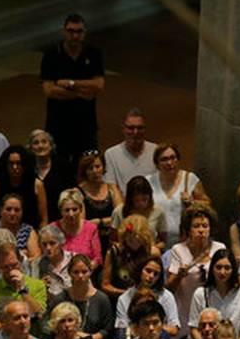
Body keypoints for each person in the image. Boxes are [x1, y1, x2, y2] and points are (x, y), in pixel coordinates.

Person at [40, 13, 105, 170]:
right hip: (57, 126)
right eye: (71, 31)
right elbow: (49, 90)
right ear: (64, 31)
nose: (75, 35)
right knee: (57, 169)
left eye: (79, 31)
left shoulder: (93, 53)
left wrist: (69, 83)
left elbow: (99, 85)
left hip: (86, 126)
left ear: (84, 33)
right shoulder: (51, 54)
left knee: (88, 169)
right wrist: (81, 93)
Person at [166, 204, 225, 339]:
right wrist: (179, 275)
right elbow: (170, 288)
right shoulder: (178, 250)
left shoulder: (219, 248)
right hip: (185, 312)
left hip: (213, 311)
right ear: (188, 229)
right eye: (196, 226)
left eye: (205, 226)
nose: (201, 230)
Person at [146, 143, 210, 247]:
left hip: (185, 241)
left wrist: (192, 202)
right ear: (157, 164)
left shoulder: (189, 179)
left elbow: (207, 204)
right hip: (157, 242)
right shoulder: (148, 182)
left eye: (173, 158)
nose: (170, 163)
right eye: (164, 159)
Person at [0, 244, 46, 338]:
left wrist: (23, 290)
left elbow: (39, 315)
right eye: (6, 267)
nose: (11, 271)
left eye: (14, 265)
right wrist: (10, 326)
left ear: (21, 261)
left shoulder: (37, 285)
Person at [188, 248, 240, 339]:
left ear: (233, 270)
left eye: (227, 268)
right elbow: (194, 328)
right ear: (212, 269)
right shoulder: (200, 294)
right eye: (218, 267)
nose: (222, 272)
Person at [113, 254, 179, 339]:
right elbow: (122, 330)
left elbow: (174, 329)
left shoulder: (166, 296)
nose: (151, 276)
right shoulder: (124, 298)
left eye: (156, 274)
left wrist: (151, 325)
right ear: (140, 270)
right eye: (148, 271)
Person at [56, 254, 113, 339]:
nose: (80, 276)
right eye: (76, 272)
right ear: (69, 273)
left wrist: (92, 338)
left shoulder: (101, 299)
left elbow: (108, 328)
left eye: (84, 272)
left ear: (90, 272)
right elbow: (50, 325)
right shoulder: (61, 298)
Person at [0, 146, 46, 231]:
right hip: (1, 234)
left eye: (18, 163)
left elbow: (43, 219)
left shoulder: (37, 185)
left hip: (30, 234)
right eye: (11, 163)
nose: (15, 167)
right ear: (5, 165)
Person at [104, 108, 157, 195]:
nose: (135, 132)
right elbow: (111, 187)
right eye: (130, 128)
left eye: (140, 128)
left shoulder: (155, 151)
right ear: (123, 129)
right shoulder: (111, 154)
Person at [0, 194, 40, 264]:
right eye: (8, 209)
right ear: (1, 210)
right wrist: (21, 254)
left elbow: (36, 256)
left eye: (17, 210)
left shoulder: (28, 231)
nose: (12, 213)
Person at [28, 128, 69, 225]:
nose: (40, 146)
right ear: (31, 148)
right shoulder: (27, 168)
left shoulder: (63, 165)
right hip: (33, 221)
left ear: (50, 146)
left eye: (44, 142)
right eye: (36, 143)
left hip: (60, 220)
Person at [110, 176, 167, 247]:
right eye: (137, 200)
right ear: (130, 199)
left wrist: (151, 250)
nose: (141, 204)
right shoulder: (119, 211)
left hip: (150, 254)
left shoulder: (158, 211)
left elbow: (163, 241)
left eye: (144, 199)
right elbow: (113, 240)